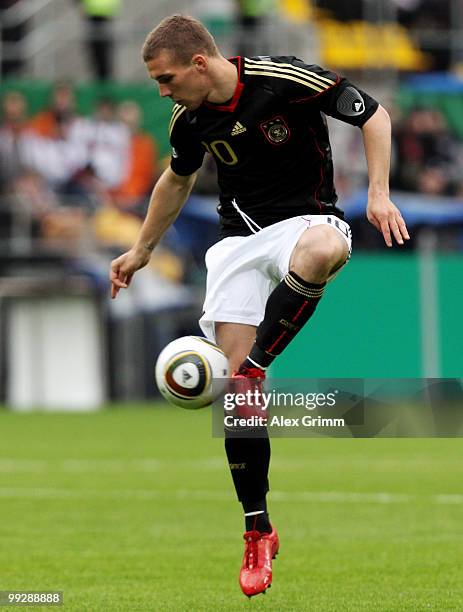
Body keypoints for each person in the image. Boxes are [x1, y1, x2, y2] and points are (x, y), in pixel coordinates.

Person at [109, 14, 410, 598]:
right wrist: (141, 248)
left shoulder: (284, 78)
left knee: (323, 251)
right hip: (239, 243)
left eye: (167, 78)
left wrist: (378, 194)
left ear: (200, 63)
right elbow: (175, 180)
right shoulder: (189, 119)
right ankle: (257, 530)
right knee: (238, 402)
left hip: (309, 219)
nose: (163, 91)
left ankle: (256, 363)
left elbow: (374, 115)